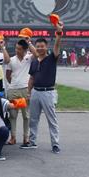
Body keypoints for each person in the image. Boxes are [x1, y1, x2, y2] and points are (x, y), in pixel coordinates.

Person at [23, 23, 63, 153]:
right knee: (33, 119)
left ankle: (55, 144)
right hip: (35, 92)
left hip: (48, 92)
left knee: (52, 119)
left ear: (46, 47)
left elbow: (57, 46)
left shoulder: (51, 58)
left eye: (42, 46)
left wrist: (59, 33)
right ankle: (32, 141)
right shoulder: (35, 61)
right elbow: (31, 78)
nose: (40, 48)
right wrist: (28, 92)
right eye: (38, 46)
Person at [5, 39, 35, 145]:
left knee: (26, 115)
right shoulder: (11, 60)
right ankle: (13, 137)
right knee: (13, 115)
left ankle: (26, 137)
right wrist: (14, 84)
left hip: (25, 90)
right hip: (13, 91)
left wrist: (29, 43)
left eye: (19, 49)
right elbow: (8, 75)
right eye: (16, 48)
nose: (17, 50)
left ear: (25, 50)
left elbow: (36, 54)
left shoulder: (29, 58)